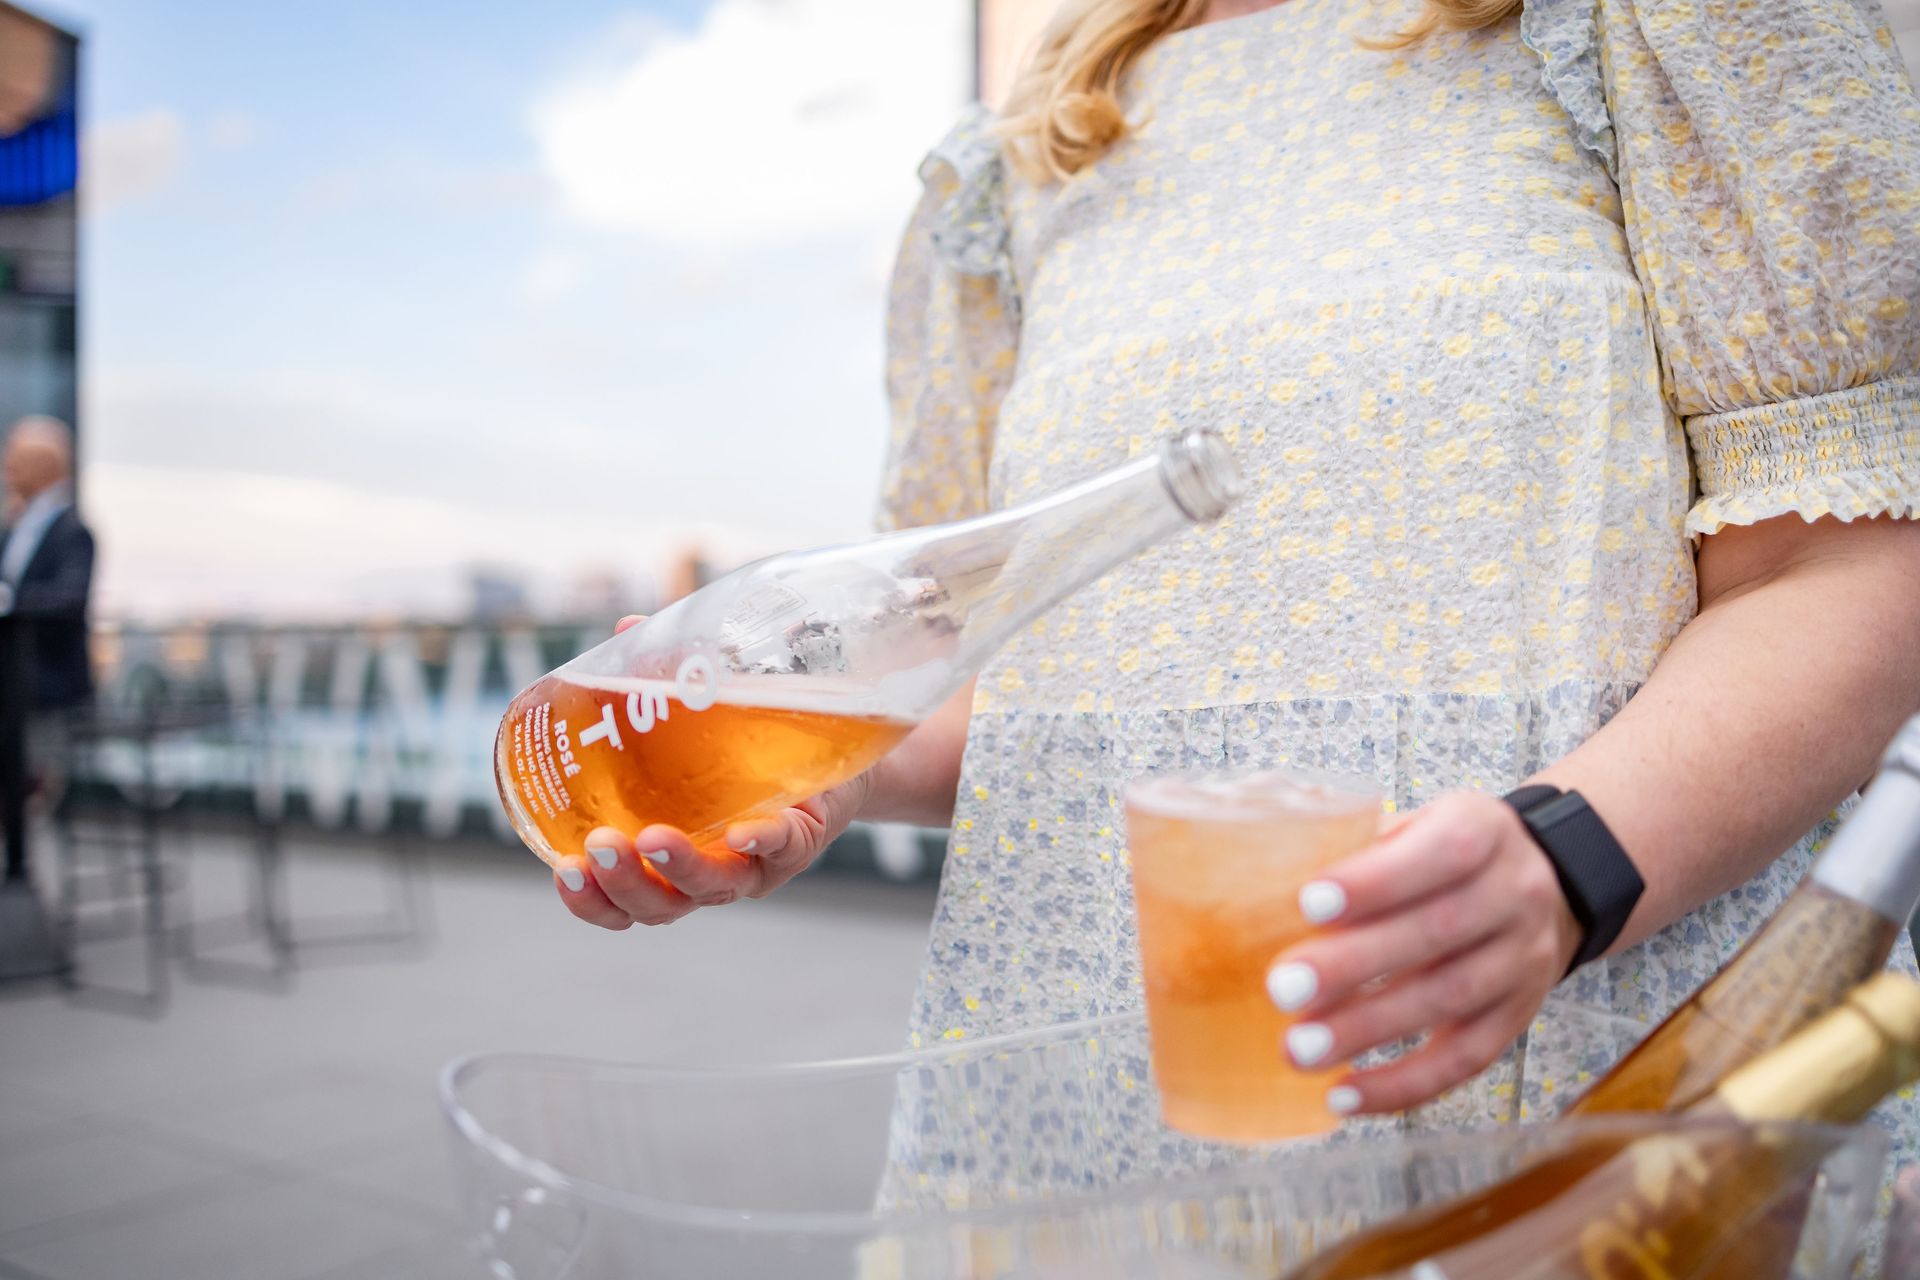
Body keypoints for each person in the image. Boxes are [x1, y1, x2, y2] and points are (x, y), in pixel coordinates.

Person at [556, 0, 1920, 1163]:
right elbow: (1007, 678)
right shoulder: (1021, 159)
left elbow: (1847, 560)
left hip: (1590, 1086)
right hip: (1077, 1102)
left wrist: (1567, 864)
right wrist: (828, 772)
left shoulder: (1656, 25)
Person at [0, 415, 93, 882]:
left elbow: (70, 598)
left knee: (30, 781)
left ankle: (23, 876)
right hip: (11, 683)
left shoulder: (72, 531)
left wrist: (11, 601)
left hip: (44, 685)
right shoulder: (15, 527)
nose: (6, 470)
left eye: (15, 461)